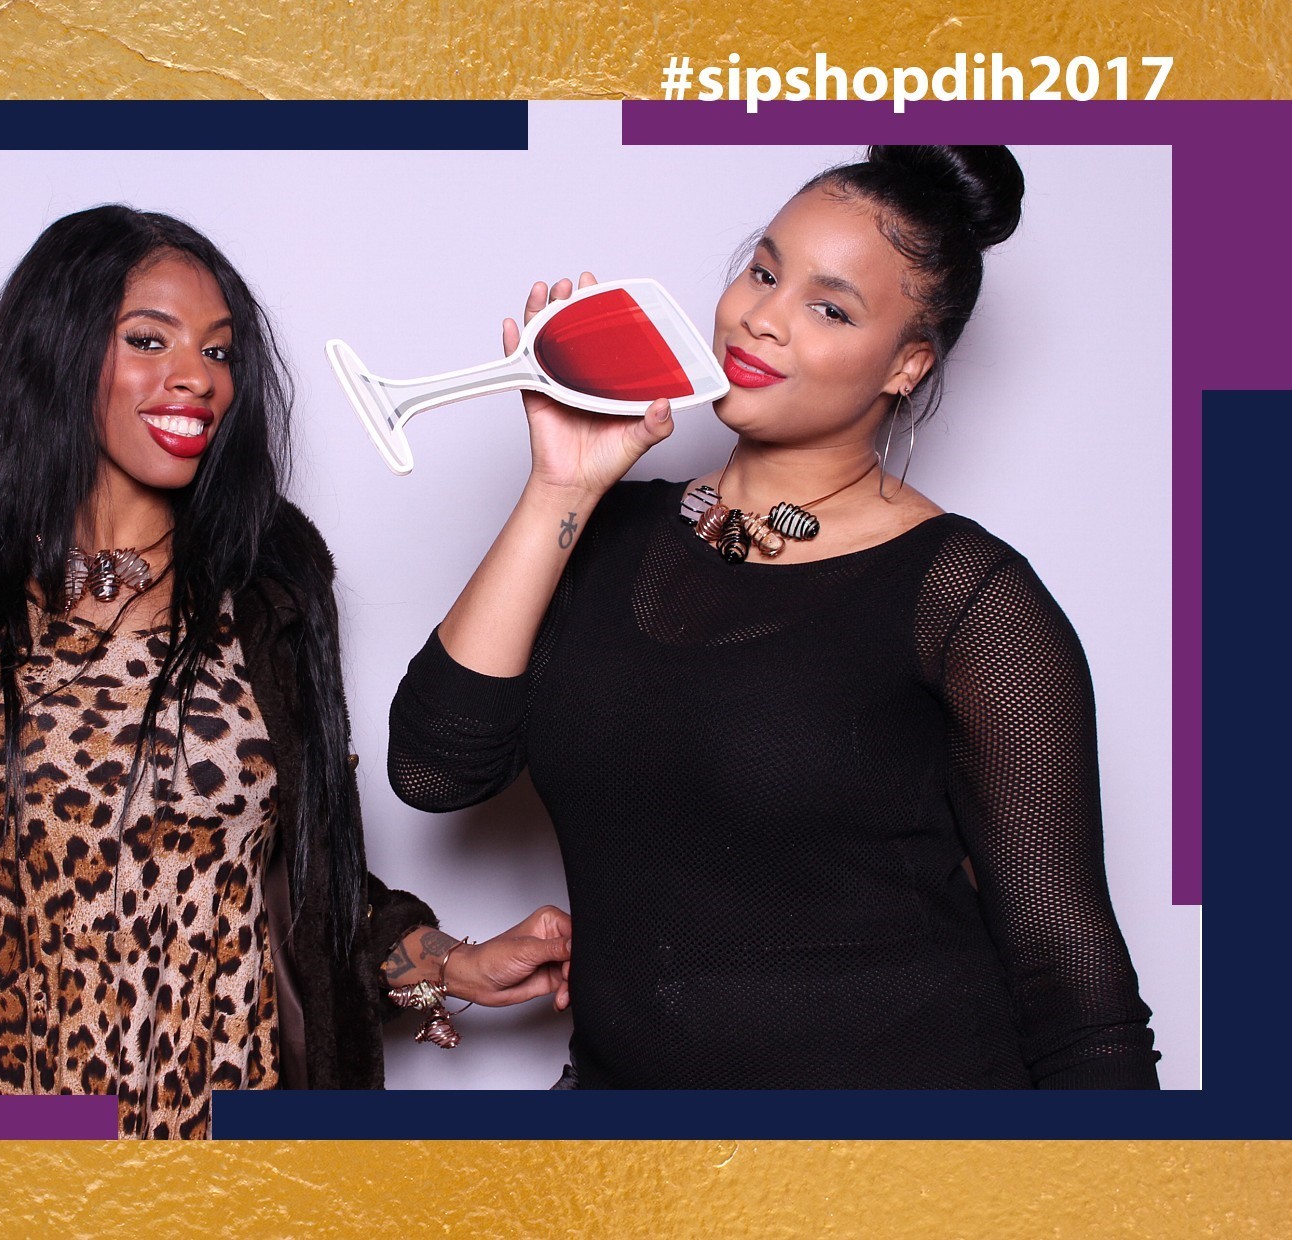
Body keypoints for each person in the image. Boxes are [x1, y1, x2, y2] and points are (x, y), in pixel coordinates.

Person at [0, 205, 572, 1137]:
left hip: (223, 1157)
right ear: (60, 349)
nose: (196, 378)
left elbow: (300, 879)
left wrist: (448, 962)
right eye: (149, 340)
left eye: (218, 351)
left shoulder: (270, 583)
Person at [387, 147, 1161, 1089]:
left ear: (907, 364)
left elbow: (1072, 977)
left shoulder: (965, 597)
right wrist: (563, 484)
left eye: (830, 308)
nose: (763, 316)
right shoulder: (603, 531)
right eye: (763, 271)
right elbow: (435, 769)